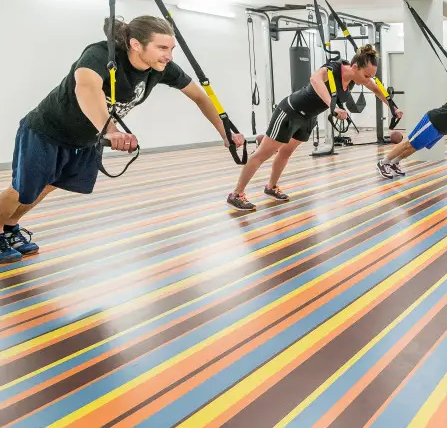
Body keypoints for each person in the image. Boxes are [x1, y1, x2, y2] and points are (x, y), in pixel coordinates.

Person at [0, 16, 246, 263]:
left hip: (83, 140)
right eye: (162, 48)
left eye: (171, 49)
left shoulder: (162, 69)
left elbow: (200, 97)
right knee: (22, 189)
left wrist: (225, 133)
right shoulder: (100, 54)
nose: (168, 55)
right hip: (47, 129)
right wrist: (111, 130)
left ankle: (10, 226)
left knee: (49, 184)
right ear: (136, 45)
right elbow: (86, 88)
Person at [227, 45, 398, 211]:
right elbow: (315, 79)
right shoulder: (333, 69)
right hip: (290, 112)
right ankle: (236, 194)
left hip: (307, 118)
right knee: (262, 155)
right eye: (366, 75)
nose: (368, 80)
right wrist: (333, 106)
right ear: (354, 67)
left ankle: (271, 186)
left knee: (286, 152)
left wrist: (393, 108)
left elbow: (376, 89)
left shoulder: (354, 79)